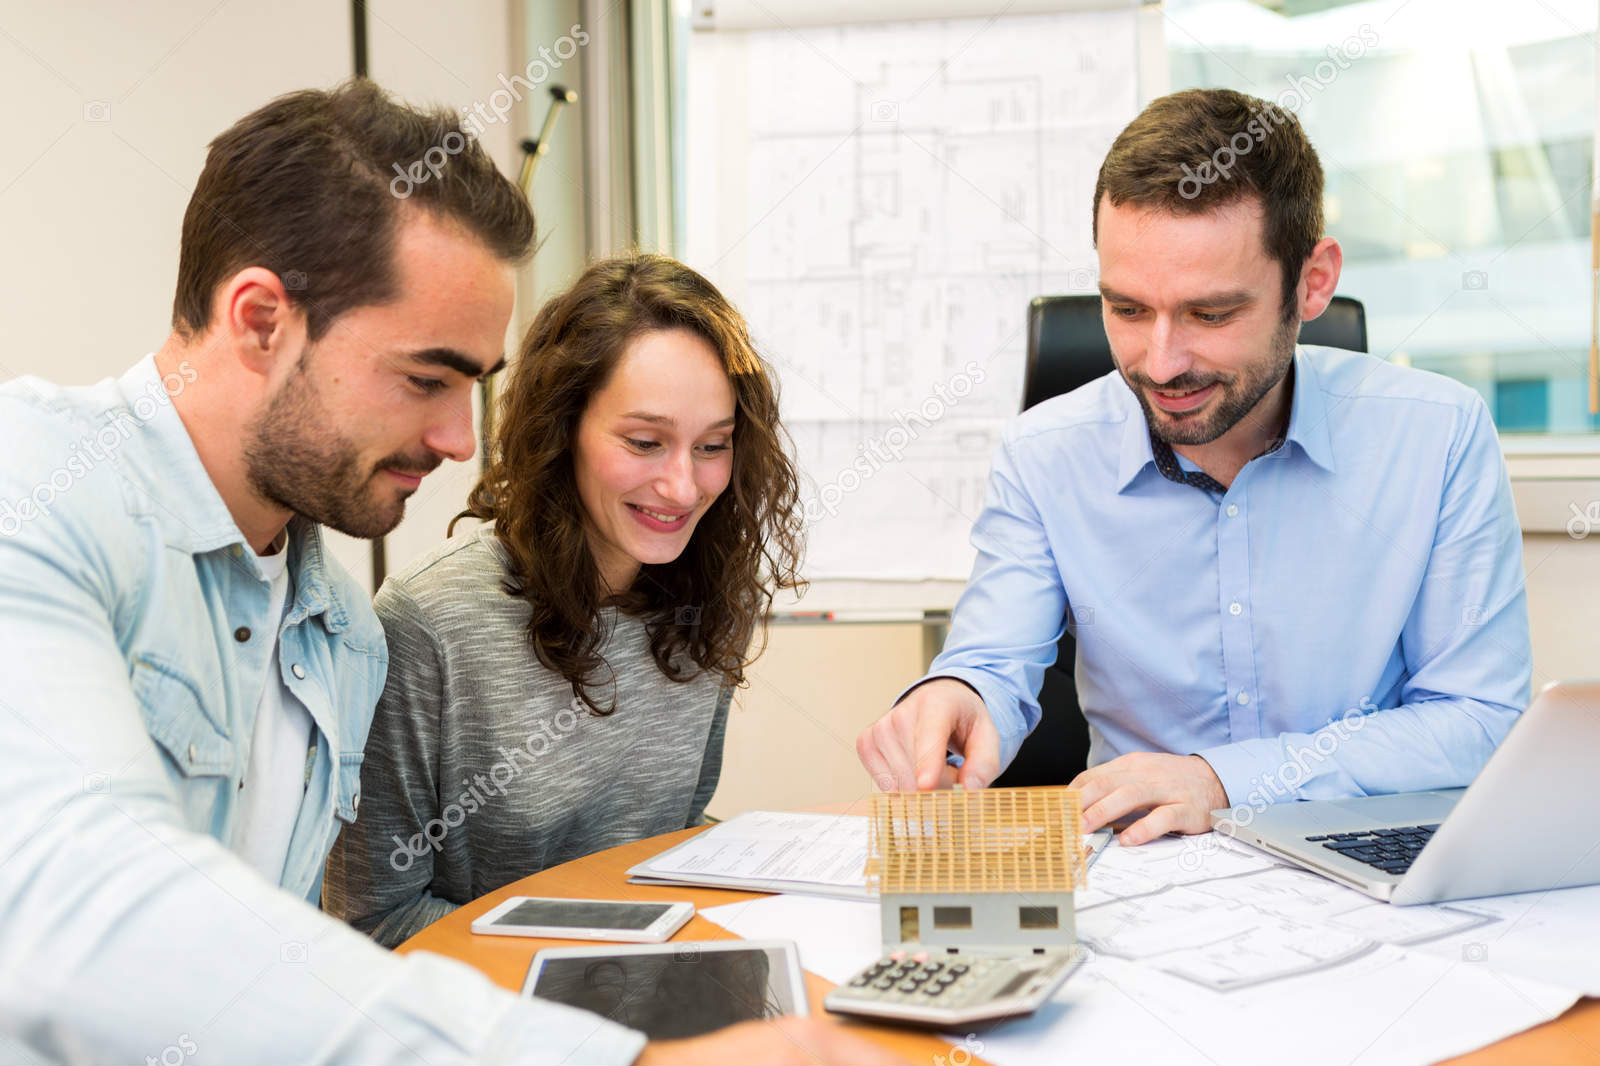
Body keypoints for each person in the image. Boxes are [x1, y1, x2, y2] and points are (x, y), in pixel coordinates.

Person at [0, 79, 892, 1066]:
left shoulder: (334, 627)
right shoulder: (32, 493)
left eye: (473, 385)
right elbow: (85, 896)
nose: (460, 442)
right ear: (259, 320)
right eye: (426, 378)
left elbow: (294, 965)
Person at [856, 88, 1530, 848]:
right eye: (1128, 309)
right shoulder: (1045, 455)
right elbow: (991, 660)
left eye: (1210, 314)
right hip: (1146, 864)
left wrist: (1221, 780)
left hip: (1368, 859)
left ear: (1312, 282)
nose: (1161, 362)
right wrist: (957, 694)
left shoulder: (1438, 436)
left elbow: (1480, 722)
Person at [324, 253, 804, 947]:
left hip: (644, 983)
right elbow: (374, 920)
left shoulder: (707, 594)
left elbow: (664, 835)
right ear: (563, 429)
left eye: (712, 446)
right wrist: (592, 960)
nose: (682, 486)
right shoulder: (428, 622)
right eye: (645, 442)